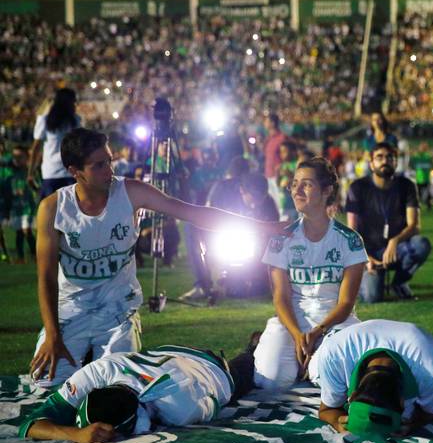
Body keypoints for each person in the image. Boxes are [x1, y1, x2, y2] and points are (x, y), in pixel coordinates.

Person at [29, 128, 283, 388]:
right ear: (75, 171)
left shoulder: (131, 192)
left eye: (110, 161)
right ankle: (85, 360)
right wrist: (52, 333)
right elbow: (46, 277)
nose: (109, 170)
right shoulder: (53, 208)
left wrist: (265, 226)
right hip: (71, 311)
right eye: (99, 165)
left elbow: (193, 213)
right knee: (47, 386)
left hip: (117, 312)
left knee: (119, 390)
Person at [253, 158, 367, 390]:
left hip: (335, 323)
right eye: (294, 184)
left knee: (332, 379)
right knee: (270, 380)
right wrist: (297, 335)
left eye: (306, 184)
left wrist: (318, 332)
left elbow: (346, 303)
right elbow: (280, 298)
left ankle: (313, 365)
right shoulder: (281, 239)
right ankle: (267, 349)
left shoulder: (350, 241)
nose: (297, 190)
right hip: (291, 321)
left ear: (327, 191)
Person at [18, 343, 257, 443]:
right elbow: (29, 425)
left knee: (261, 376)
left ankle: (253, 350)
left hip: (214, 370)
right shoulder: (99, 371)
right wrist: (76, 434)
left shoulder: (180, 411)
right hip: (170, 353)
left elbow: (221, 396)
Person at [310, 319, 433, 436]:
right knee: (313, 372)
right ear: (351, 396)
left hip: (422, 352)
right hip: (337, 338)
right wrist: (338, 424)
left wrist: (415, 423)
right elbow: (326, 410)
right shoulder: (334, 356)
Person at [345, 142, 431, 302]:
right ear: (371, 164)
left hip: (397, 249)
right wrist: (364, 257)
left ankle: (399, 282)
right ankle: (361, 280)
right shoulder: (357, 187)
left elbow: (415, 226)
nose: (385, 161)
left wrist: (394, 241)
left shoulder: (407, 185)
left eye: (389, 157)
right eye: (379, 157)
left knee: (421, 244)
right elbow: (351, 232)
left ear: (396, 162)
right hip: (368, 252)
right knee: (372, 297)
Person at [29, 88, 81, 200]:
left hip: (55, 173)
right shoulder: (45, 121)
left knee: (52, 214)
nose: (75, 105)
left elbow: (35, 149)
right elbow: (36, 148)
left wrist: (30, 173)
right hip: (64, 174)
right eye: (73, 102)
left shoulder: (75, 120)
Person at [8, 146, 37, 263]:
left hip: (28, 208)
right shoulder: (12, 173)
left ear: (27, 158)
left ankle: (35, 255)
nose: (17, 159)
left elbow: (37, 188)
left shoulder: (31, 172)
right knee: (19, 232)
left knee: (27, 230)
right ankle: (21, 257)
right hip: (17, 208)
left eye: (20, 157)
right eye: (15, 157)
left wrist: (33, 186)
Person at [263, 114, 287, 220]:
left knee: (281, 205)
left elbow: (287, 157)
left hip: (279, 176)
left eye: (266, 121)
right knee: (273, 205)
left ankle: (284, 230)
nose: (264, 123)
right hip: (268, 175)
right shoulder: (268, 139)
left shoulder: (282, 138)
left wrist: (281, 171)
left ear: (272, 123)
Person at [410, 141, 433, 210]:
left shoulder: (428, 156)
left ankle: (429, 206)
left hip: (426, 178)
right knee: (418, 194)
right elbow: (411, 165)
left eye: (424, 147)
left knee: (428, 193)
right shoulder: (416, 156)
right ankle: (417, 206)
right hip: (418, 178)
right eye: (422, 147)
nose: (423, 148)